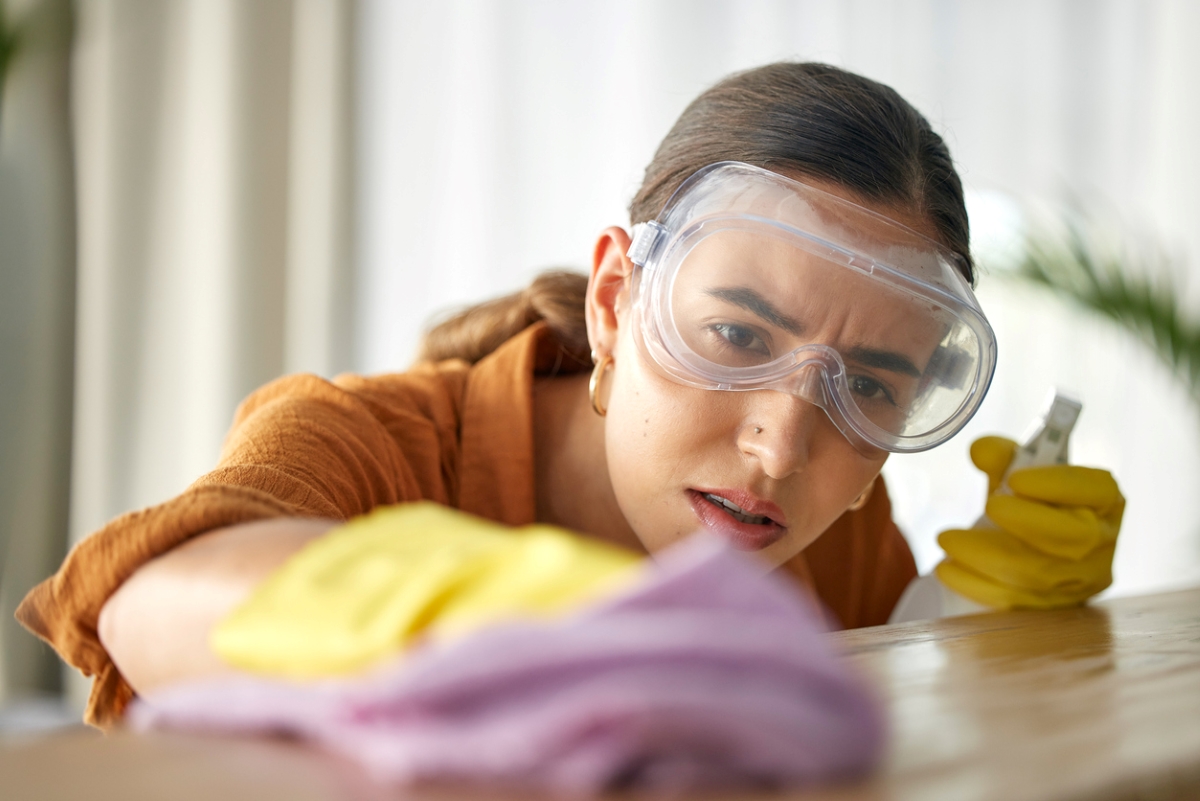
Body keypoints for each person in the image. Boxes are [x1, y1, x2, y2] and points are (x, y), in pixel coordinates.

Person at [17, 62, 1123, 729]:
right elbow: (148, 606)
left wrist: (991, 633)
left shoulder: (834, 534)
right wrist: (517, 619)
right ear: (612, 301)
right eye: (737, 332)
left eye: (871, 386)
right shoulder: (376, 443)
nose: (783, 444)